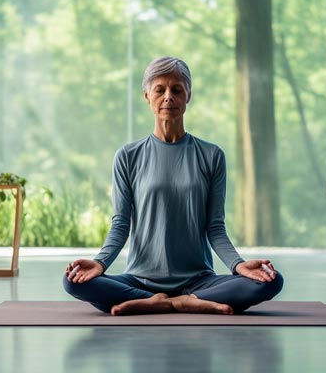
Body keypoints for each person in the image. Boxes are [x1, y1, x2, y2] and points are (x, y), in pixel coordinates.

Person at [63, 56, 283, 316]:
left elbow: (215, 227)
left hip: (199, 280)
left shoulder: (211, 155)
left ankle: (169, 302)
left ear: (188, 95)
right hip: (139, 280)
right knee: (73, 282)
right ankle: (178, 302)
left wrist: (238, 266)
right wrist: (99, 263)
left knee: (270, 280)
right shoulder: (128, 156)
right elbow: (120, 224)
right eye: (160, 89)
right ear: (147, 96)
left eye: (177, 89)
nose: (169, 96)